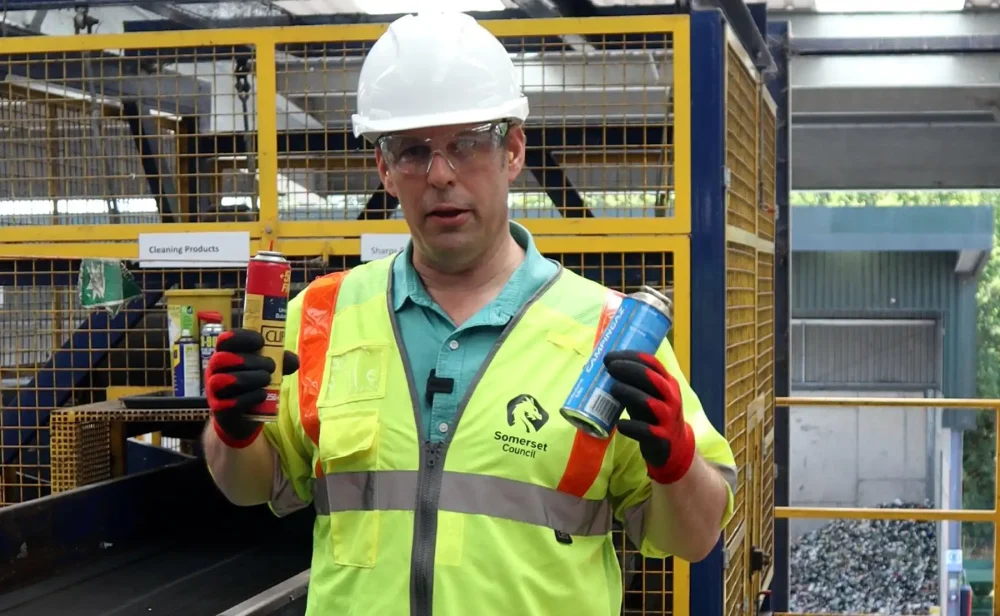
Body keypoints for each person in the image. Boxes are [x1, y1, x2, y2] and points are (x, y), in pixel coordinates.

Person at [202, 11, 737, 616]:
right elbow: (250, 486)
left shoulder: (609, 334)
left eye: (467, 144)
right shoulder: (322, 316)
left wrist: (677, 461)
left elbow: (694, 538)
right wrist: (232, 432)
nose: (440, 175)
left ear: (513, 151)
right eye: (413, 151)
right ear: (384, 169)